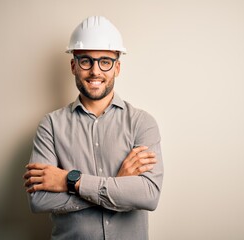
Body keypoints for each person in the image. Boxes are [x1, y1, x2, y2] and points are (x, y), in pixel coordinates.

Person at [23, 16, 164, 240]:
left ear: (117, 67)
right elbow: (39, 200)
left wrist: (71, 181)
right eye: (86, 60)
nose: (95, 71)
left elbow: (148, 196)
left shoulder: (142, 123)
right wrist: (118, 186)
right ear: (73, 65)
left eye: (105, 61)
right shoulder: (50, 126)